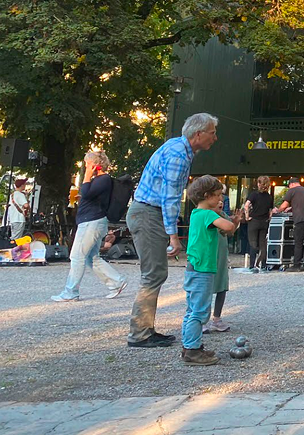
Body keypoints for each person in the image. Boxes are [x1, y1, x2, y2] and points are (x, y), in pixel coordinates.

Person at [127, 113, 218, 349]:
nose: (215, 138)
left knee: (155, 273)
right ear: (198, 134)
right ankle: (139, 334)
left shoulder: (178, 148)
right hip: (149, 214)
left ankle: (145, 330)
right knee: (153, 274)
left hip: (147, 212)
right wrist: (174, 237)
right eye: (212, 133)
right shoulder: (179, 155)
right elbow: (169, 198)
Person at [51, 151, 128, 302]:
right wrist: (81, 196)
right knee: (91, 258)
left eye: (88, 164)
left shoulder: (102, 179)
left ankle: (71, 291)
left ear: (95, 166)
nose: (86, 166)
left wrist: (86, 175)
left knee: (77, 256)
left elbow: (86, 192)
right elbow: (90, 195)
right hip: (93, 221)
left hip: (91, 222)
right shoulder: (101, 180)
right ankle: (116, 282)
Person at [180, 176, 239, 366]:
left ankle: (189, 345)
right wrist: (227, 218)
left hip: (194, 268)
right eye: (217, 195)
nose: (220, 199)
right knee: (200, 311)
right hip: (203, 269)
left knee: (192, 310)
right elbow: (228, 227)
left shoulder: (196, 214)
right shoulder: (208, 214)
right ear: (207, 196)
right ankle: (192, 350)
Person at [204, 192, 239, 334]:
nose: (220, 202)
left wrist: (235, 222)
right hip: (208, 258)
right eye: (218, 199)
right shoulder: (206, 215)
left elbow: (229, 232)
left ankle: (217, 319)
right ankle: (202, 320)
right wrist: (232, 224)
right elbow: (226, 228)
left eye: (222, 200)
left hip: (222, 257)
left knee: (222, 287)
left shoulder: (223, 215)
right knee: (205, 289)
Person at [274, 178, 304, 272]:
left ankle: (296, 265)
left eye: (289, 185)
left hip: (300, 220)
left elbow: (284, 205)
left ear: (292, 184)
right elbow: (301, 204)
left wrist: (277, 211)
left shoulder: (292, 191)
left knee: (298, 243)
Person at [241, 176, 272, 271]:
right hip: (264, 222)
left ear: (259, 184)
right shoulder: (269, 197)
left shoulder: (254, 195)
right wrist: (268, 219)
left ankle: (252, 265)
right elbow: (270, 211)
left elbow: (246, 206)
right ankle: (263, 265)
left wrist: (247, 217)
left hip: (254, 221)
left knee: (253, 243)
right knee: (263, 244)